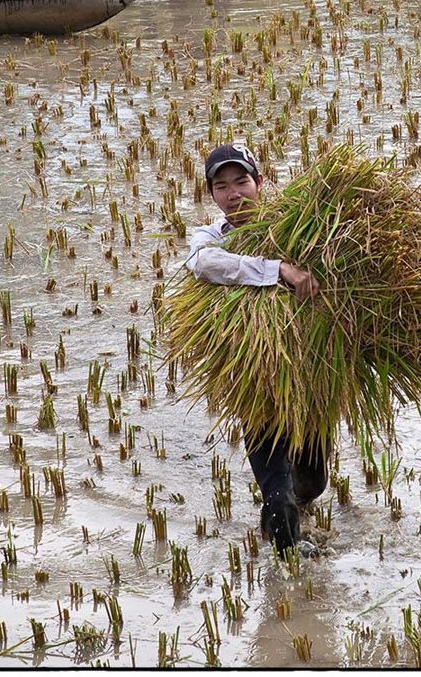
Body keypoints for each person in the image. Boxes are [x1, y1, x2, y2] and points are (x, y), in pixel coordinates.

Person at [184, 142, 324, 555]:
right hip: (256, 386)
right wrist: (277, 269)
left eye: (242, 181)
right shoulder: (211, 238)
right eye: (222, 186)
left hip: (310, 378)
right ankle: (288, 573)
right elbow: (206, 264)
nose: (234, 194)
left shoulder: (298, 226)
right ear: (211, 195)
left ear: (259, 182)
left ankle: (300, 505)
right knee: (278, 503)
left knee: (312, 483)